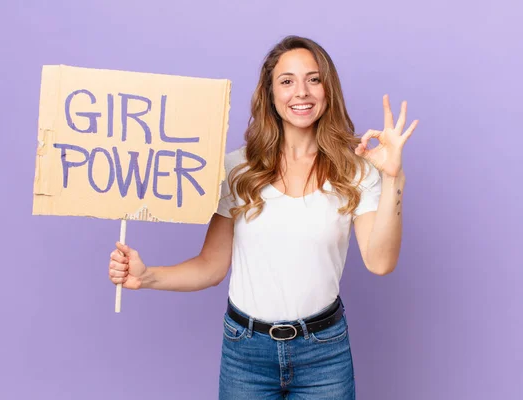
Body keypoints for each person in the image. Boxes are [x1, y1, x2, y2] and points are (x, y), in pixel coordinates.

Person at [108, 35, 418, 399]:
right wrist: (146, 277)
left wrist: (393, 177)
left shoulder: (356, 171)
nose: (300, 92)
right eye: (287, 81)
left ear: (327, 89)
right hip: (246, 352)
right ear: (270, 95)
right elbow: (211, 267)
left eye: (313, 79)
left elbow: (381, 262)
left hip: (324, 353)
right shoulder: (238, 169)